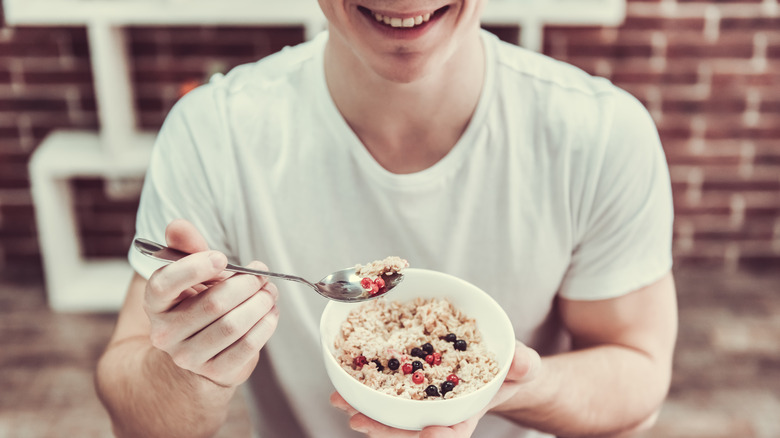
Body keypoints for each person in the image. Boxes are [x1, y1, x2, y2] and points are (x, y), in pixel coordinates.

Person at [95, 0, 678, 437]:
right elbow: (130, 404)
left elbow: (639, 368)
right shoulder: (213, 133)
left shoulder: (600, 135)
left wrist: (521, 385)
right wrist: (189, 371)